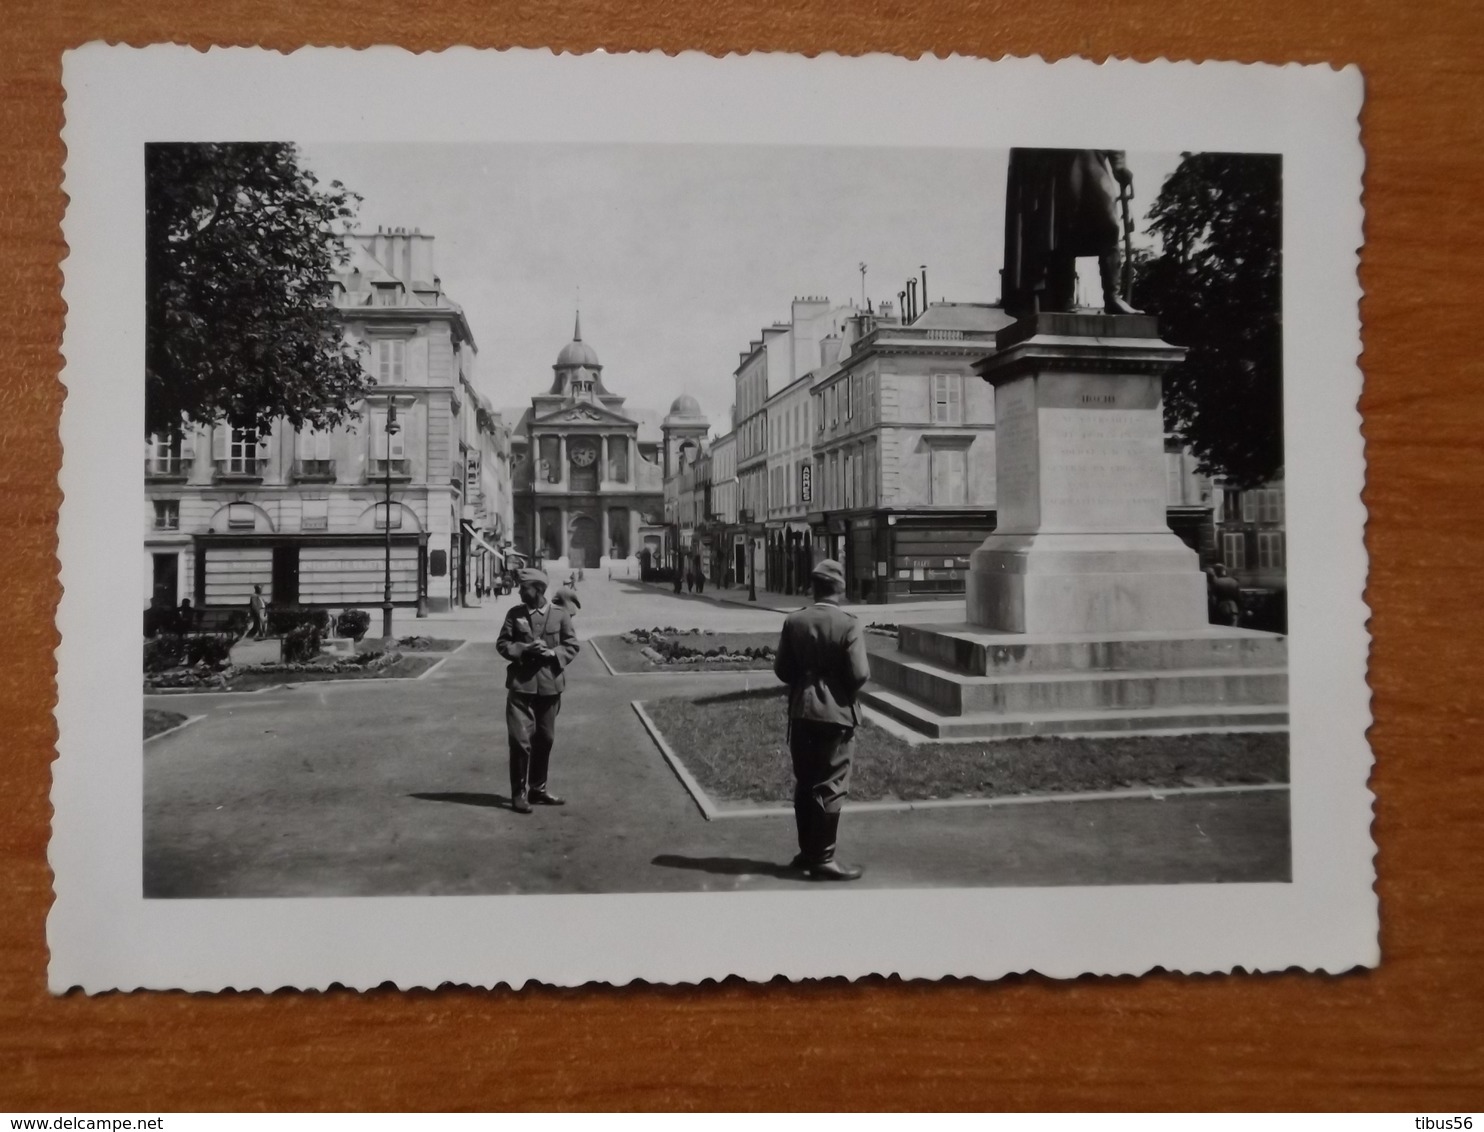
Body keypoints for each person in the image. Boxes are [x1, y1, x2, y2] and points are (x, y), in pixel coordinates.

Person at [772, 559, 872, 881]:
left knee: (805, 781)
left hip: (802, 709)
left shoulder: (794, 621)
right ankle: (823, 858)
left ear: (813, 587)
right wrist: (838, 688)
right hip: (836, 714)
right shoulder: (848, 624)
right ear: (839, 590)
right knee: (831, 782)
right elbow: (860, 674)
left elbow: (783, 670)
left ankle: (807, 852)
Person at [1002, 148, 1138, 318]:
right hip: (1059, 164)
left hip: (1094, 158)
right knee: (1063, 229)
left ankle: (1113, 297)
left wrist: (1119, 163)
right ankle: (1064, 298)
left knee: (1109, 227)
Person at [496, 568, 581, 814]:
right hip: (521, 686)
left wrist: (553, 653)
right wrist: (524, 649)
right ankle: (518, 794)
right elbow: (502, 644)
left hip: (550, 685)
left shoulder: (561, 615)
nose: (520, 592)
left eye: (524, 588)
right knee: (520, 741)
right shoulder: (515, 614)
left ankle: (538, 789)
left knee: (545, 739)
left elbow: (572, 645)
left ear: (539, 590)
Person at [1210, 563, 1243, 627]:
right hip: (1233, 609)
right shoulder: (1234, 581)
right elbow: (1239, 599)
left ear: (1216, 572)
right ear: (1224, 571)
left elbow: (1213, 600)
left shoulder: (1215, 582)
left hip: (1221, 610)